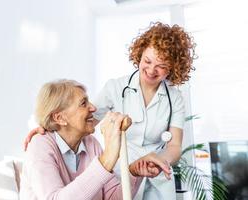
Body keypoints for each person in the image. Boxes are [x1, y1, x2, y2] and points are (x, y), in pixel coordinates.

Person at [24, 22, 196, 200]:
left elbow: (174, 146)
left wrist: (159, 160)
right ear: (140, 53)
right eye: (148, 61)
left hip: (156, 175)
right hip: (121, 172)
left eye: (161, 66)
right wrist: (45, 127)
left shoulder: (174, 98)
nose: (152, 70)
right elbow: (82, 118)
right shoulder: (115, 88)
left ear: (173, 68)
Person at [20, 79, 171, 200]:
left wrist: (132, 172)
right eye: (83, 103)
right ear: (60, 118)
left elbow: (111, 197)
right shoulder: (40, 146)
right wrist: (106, 160)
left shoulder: (91, 143)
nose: (93, 108)